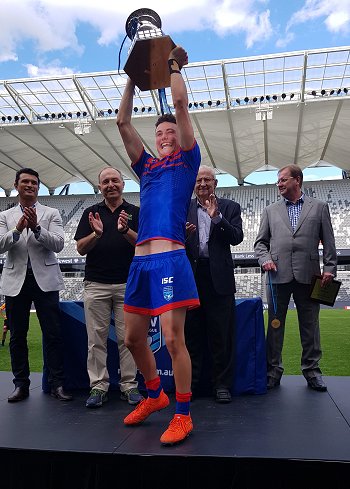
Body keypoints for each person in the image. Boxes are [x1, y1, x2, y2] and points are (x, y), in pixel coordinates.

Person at [117, 45, 201, 445]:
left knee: (171, 339)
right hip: (140, 265)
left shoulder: (187, 162)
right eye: (160, 133)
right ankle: (155, 395)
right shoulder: (146, 167)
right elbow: (121, 121)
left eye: (170, 132)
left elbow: (181, 105)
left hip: (170, 259)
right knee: (132, 338)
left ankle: (183, 415)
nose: (166, 135)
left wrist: (171, 66)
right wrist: (133, 78)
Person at [254, 164, 337, 391]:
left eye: (282, 180)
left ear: (297, 180)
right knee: (275, 325)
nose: (279, 184)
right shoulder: (270, 210)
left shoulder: (319, 207)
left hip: (309, 276)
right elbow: (260, 243)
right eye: (277, 181)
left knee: (310, 327)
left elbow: (329, 242)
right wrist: (265, 259)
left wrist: (330, 268)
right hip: (276, 276)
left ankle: (312, 371)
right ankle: (273, 372)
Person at [0, 168, 72, 402]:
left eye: (34, 182)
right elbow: (1, 245)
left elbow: (59, 244)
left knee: (53, 334)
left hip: (45, 281)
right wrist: (19, 229)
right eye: (25, 182)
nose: (30, 185)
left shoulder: (51, 213)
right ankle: (21, 384)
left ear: (38, 187)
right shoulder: (5, 216)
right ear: (16, 185)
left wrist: (38, 229)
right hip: (16, 281)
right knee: (17, 336)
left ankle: (57, 384)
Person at [74, 167, 143, 408]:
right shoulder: (91, 212)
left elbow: (143, 245)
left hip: (128, 284)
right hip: (96, 284)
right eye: (106, 181)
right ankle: (98, 386)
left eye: (115, 180)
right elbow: (81, 248)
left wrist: (125, 231)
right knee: (96, 340)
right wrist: (96, 234)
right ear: (100, 186)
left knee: (129, 339)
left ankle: (129, 385)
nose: (110, 185)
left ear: (123, 184)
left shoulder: (135, 212)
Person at [184, 165, 244, 403]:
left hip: (219, 279)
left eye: (207, 180)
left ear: (215, 184)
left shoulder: (230, 207)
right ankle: (193, 384)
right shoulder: (183, 208)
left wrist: (216, 218)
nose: (202, 185)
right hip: (191, 278)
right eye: (198, 181)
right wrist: (181, 234)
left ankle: (222, 385)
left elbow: (236, 237)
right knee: (191, 335)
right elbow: (171, 239)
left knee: (221, 335)